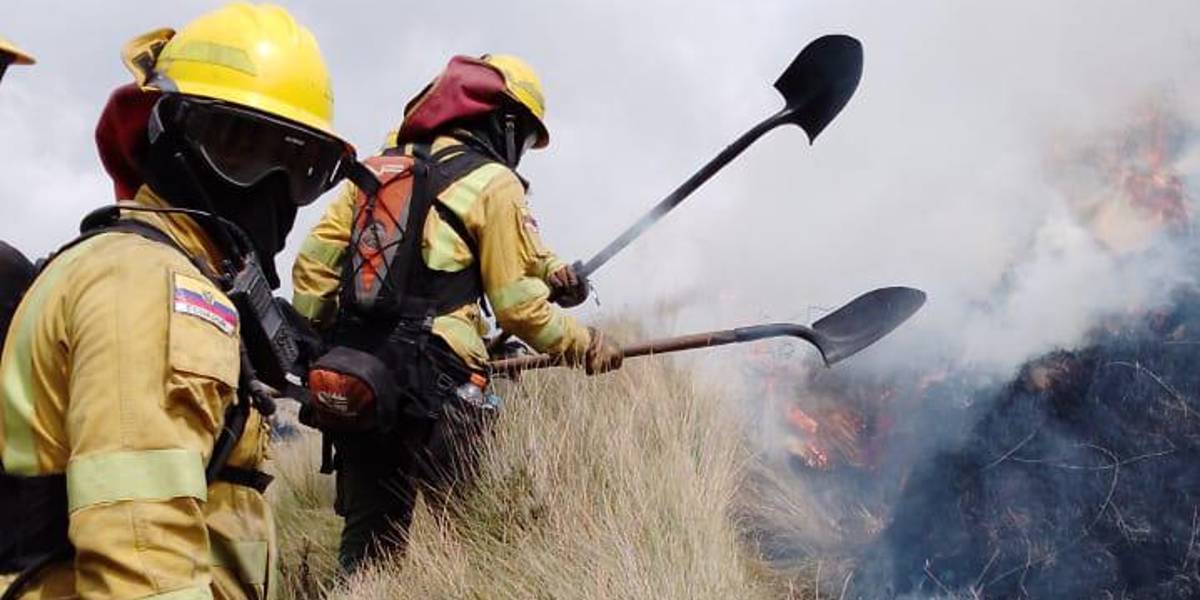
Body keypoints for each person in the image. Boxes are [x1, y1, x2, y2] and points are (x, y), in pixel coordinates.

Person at [0, 4, 351, 598]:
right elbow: (142, 563)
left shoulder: (151, 271)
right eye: (237, 147)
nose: (271, 187)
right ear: (170, 138)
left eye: (299, 167)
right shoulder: (153, 289)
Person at [291, 54, 624, 570]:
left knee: (369, 546)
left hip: (363, 381)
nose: (524, 153)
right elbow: (518, 310)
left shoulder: (378, 173)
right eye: (527, 139)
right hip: (442, 387)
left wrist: (320, 344)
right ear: (505, 121)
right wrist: (586, 343)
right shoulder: (495, 183)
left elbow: (313, 267)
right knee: (476, 538)